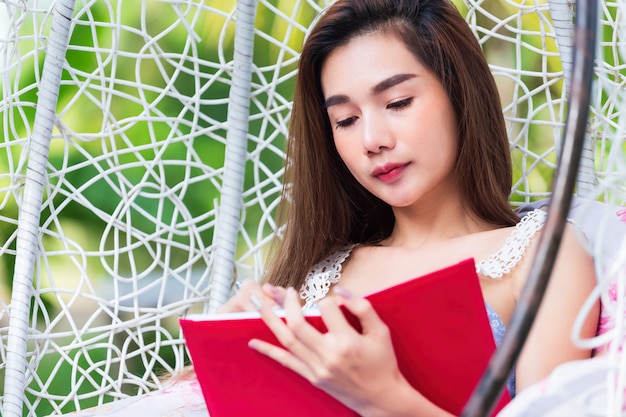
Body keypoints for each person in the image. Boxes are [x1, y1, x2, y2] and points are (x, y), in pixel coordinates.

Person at [64, 0, 600, 415]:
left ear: (460, 92)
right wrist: (225, 359)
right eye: (344, 120)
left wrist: (385, 398)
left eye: (397, 103)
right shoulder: (325, 273)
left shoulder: (541, 256)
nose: (372, 138)